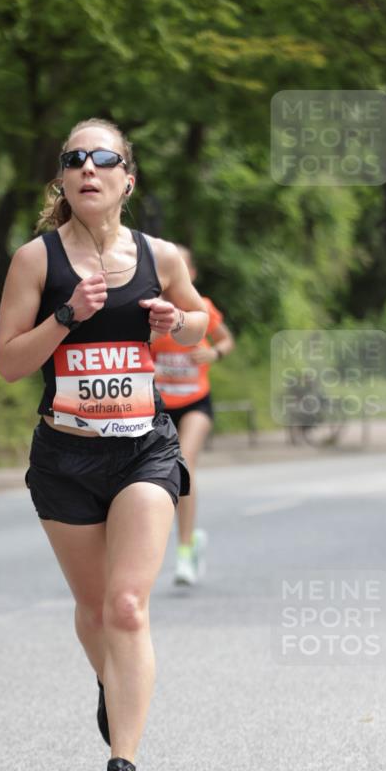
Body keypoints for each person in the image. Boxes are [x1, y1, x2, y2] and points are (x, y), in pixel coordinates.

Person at [0, 118, 208, 771]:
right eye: (73, 159)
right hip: (64, 453)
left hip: (143, 447)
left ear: (127, 178)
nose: (88, 168)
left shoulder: (160, 255)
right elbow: (9, 364)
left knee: (125, 606)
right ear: (61, 179)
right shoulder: (36, 261)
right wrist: (66, 315)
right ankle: (112, 683)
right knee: (93, 613)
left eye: (103, 158)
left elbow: (199, 321)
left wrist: (171, 324)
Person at [150, 245, 234, 585]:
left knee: (183, 463)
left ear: (191, 274)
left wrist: (214, 352)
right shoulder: (152, 309)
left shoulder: (203, 309)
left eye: (182, 266)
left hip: (196, 400)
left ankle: (184, 551)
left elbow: (227, 341)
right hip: (158, 403)